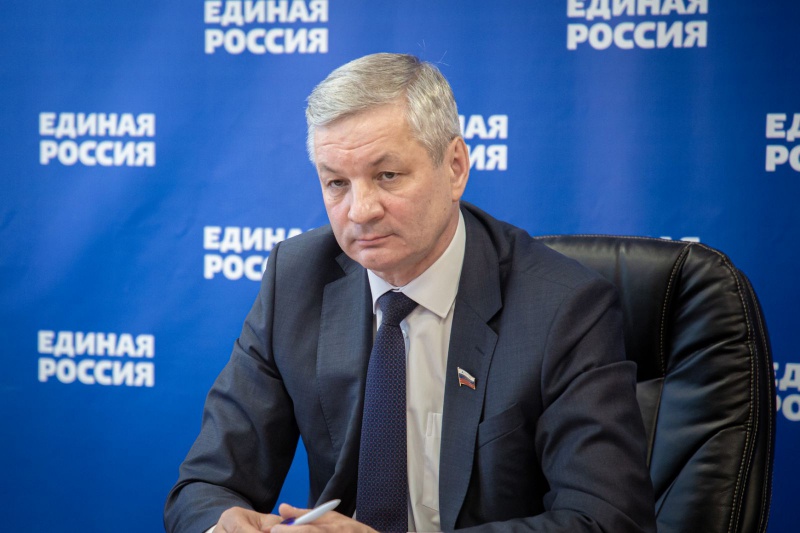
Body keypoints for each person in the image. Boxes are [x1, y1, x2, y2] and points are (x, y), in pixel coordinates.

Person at [164, 53, 656, 533]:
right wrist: (224, 525)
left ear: (455, 166)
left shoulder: (563, 308)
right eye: (337, 183)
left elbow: (607, 519)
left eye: (387, 176)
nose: (360, 211)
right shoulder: (295, 281)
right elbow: (205, 485)